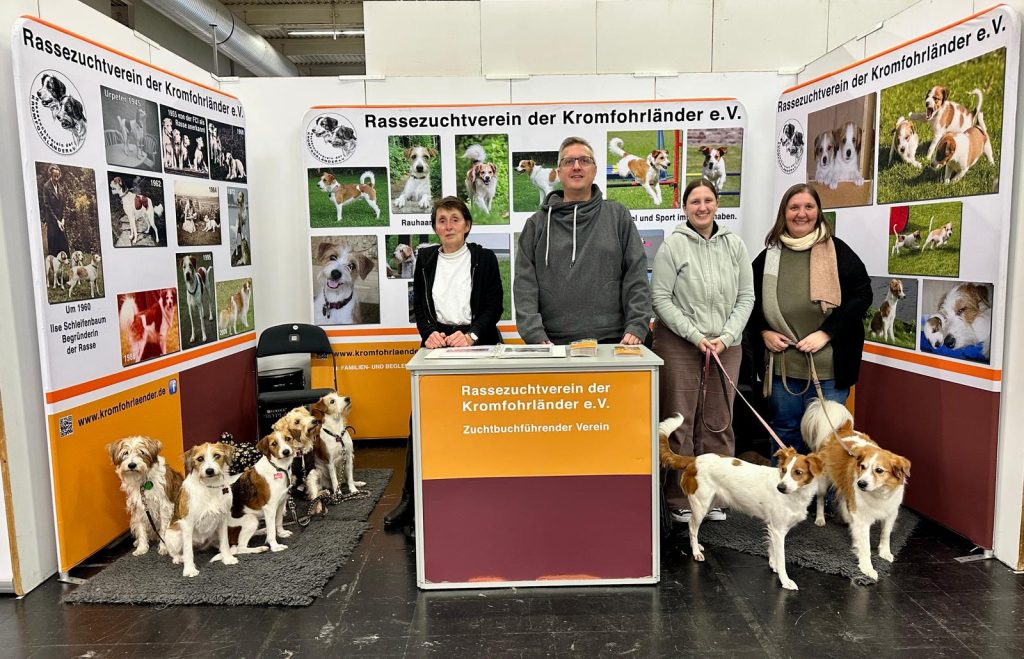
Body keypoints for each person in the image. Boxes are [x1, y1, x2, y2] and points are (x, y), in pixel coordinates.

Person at [384, 196, 503, 530]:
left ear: (467, 225)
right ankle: (410, 500)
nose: (448, 226)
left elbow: (494, 305)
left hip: (477, 341)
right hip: (438, 344)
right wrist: (429, 333)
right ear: (435, 227)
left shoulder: (484, 258)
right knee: (422, 421)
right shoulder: (425, 259)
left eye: (454, 219)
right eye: (441, 220)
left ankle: (487, 494)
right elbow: (421, 307)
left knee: (482, 420)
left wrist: (472, 335)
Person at [651, 178, 754, 524]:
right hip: (680, 344)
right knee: (680, 420)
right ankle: (679, 496)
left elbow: (746, 297)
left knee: (719, 421)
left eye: (708, 200)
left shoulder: (735, 245)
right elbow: (660, 298)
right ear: (684, 208)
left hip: (726, 346)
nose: (702, 207)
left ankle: (716, 496)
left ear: (717, 204)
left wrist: (727, 336)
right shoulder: (673, 245)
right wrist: (695, 336)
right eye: (695, 201)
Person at [748, 183, 871, 453]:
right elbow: (748, 300)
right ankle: (784, 484)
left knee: (828, 441)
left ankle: (824, 485)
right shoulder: (768, 256)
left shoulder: (838, 252)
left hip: (828, 368)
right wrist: (764, 331)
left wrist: (826, 333)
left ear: (818, 211)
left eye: (808, 207)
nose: (801, 213)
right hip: (783, 368)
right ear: (784, 213)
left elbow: (862, 295)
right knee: (784, 434)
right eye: (794, 207)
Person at [514, 136, 651, 345]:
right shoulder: (536, 224)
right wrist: (534, 335)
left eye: (584, 161)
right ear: (559, 172)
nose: (576, 166)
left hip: (615, 341)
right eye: (568, 161)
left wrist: (637, 325)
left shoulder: (618, 216)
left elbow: (636, 274)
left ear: (595, 171)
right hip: (552, 344)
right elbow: (525, 284)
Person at [41, 165, 69, 257]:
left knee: (63, 244)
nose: (56, 178)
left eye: (58, 176)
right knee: (53, 245)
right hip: (52, 221)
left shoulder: (61, 188)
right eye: (54, 176)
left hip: (60, 221)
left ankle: (65, 262)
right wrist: (57, 220)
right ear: (51, 175)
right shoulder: (46, 187)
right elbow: (47, 206)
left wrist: (63, 219)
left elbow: (63, 205)